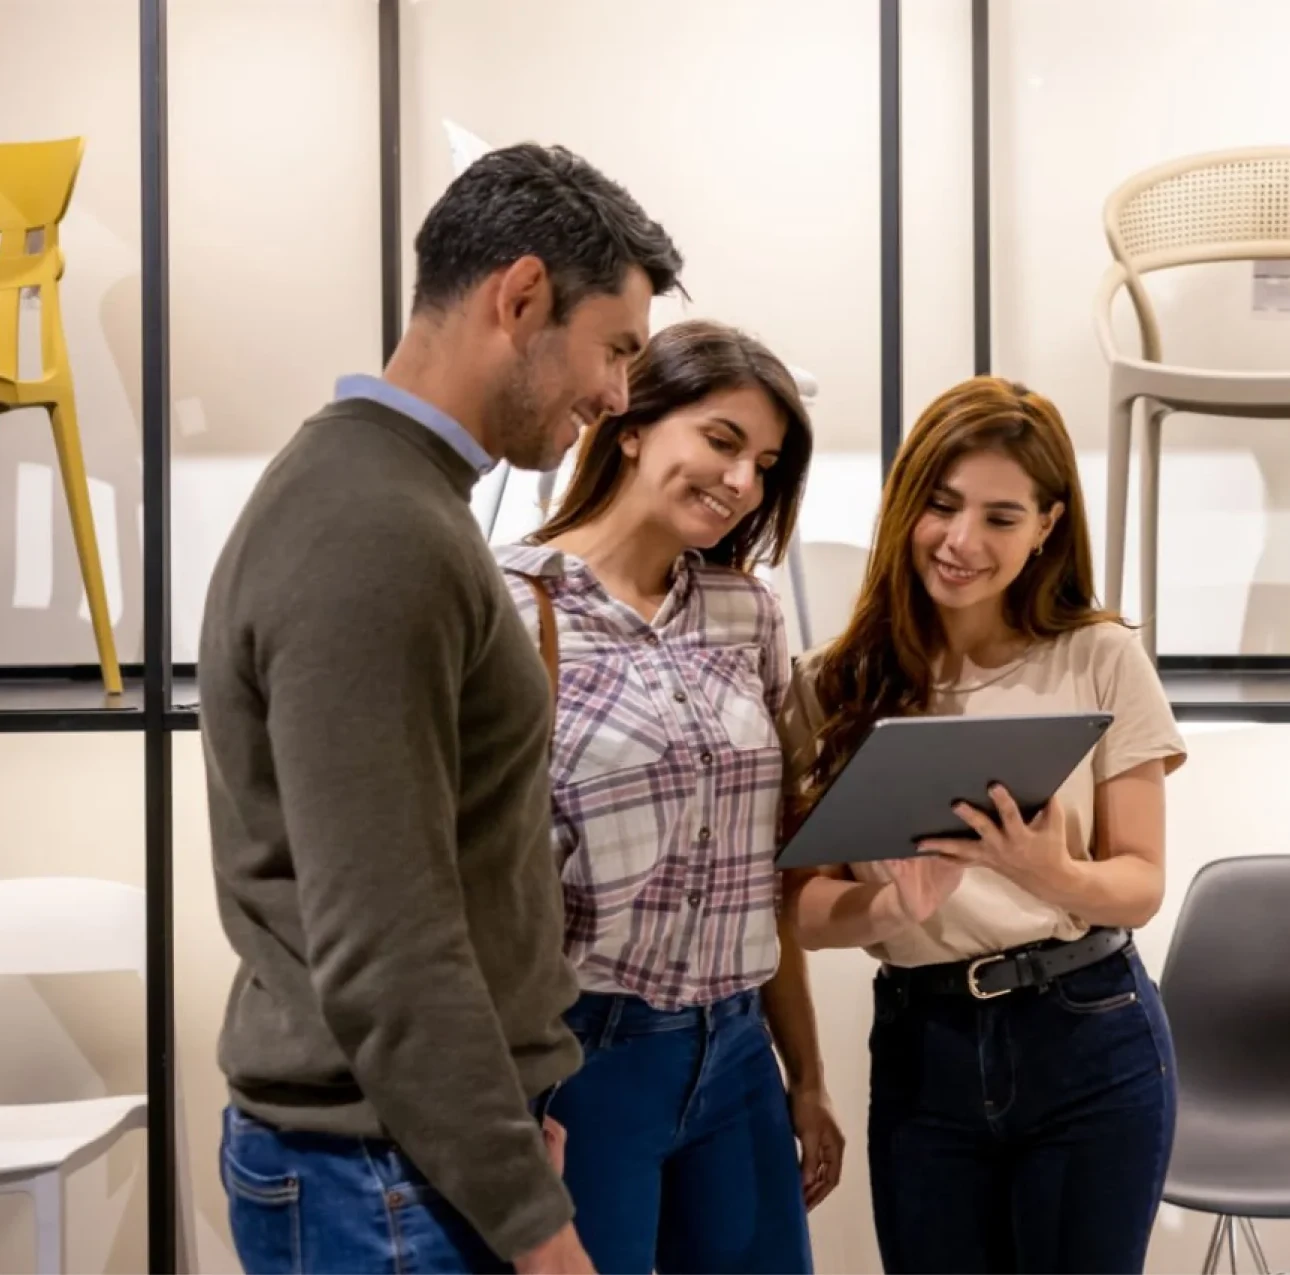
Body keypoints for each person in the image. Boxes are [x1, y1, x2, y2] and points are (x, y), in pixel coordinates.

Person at [199, 142, 683, 1275]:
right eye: (614, 351)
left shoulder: (394, 498)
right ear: (520, 298)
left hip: (411, 1158)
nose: (617, 396)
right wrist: (535, 1225)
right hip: (381, 1183)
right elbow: (389, 942)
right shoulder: (378, 530)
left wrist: (506, 1108)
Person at [780, 376, 1186, 1275]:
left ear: (1046, 526)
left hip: (1091, 1034)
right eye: (942, 503)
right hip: (926, 1049)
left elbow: (1143, 882)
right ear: (907, 503)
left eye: (1002, 517)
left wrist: (1051, 873)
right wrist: (890, 911)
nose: (962, 541)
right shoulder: (831, 684)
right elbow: (800, 910)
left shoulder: (1102, 656)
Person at [494, 319, 841, 1275]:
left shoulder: (746, 610)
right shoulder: (510, 605)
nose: (741, 482)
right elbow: (472, 893)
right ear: (634, 422)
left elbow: (769, 866)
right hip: (586, 1057)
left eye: (764, 463)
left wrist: (805, 1075)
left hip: (736, 1053)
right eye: (722, 440)